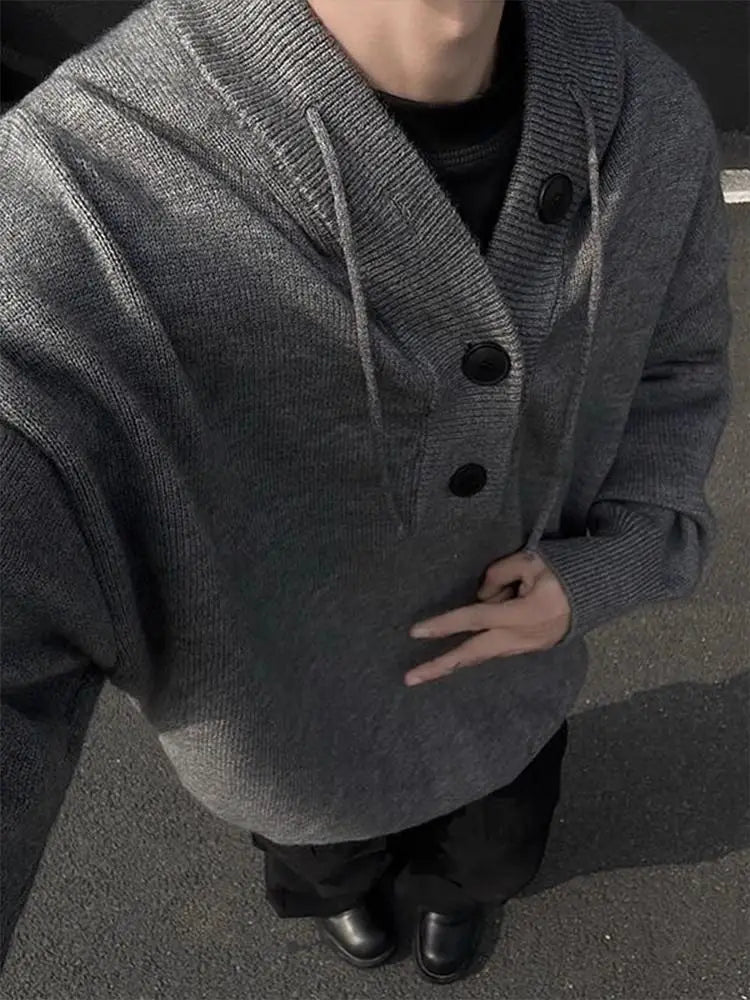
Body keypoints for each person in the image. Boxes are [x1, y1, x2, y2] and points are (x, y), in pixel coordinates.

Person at [0, 0, 732, 986]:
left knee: (492, 855)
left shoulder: (651, 117)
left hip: (508, 708)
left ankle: (457, 894)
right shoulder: (74, 196)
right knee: (321, 861)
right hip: (290, 750)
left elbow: (679, 373)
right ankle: (344, 893)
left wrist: (609, 566)